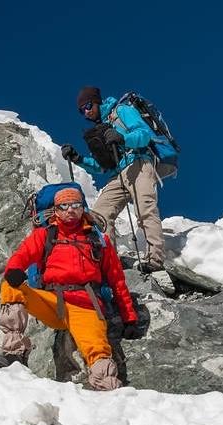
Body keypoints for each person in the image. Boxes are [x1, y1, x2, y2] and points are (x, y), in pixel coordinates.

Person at [0, 187, 141, 391]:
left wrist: (129, 318)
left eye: (76, 205)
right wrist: (14, 270)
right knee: (11, 285)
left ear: (82, 208)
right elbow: (22, 255)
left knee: (98, 351)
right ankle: (13, 354)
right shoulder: (45, 234)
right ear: (56, 210)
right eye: (64, 206)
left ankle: (109, 391)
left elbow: (117, 280)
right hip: (53, 302)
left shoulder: (99, 240)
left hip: (86, 306)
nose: (70, 210)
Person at [61, 86, 171, 287]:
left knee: (145, 209)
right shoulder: (101, 128)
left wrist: (123, 138)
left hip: (139, 162)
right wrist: (78, 159)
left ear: (97, 101)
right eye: (81, 110)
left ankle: (155, 261)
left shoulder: (121, 111)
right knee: (99, 216)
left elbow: (144, 134)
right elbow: (102, 166)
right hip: (118, 173)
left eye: (88, 106)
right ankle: (108, 263)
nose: (86, 112)